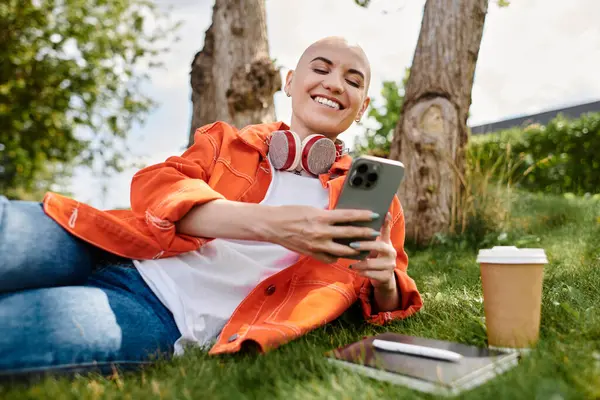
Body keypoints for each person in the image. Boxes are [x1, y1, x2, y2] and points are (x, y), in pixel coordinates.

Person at [0, 36, 422, 379]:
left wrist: (384, 280)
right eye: (321, 68)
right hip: (106, 243)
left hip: (163, 314)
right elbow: (155, 187)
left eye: (353, 79)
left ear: (363, 106)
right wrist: (271, 224)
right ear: (290, 82)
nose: (334, 83)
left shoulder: (373, 200)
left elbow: (388, 300)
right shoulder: (226, 142)